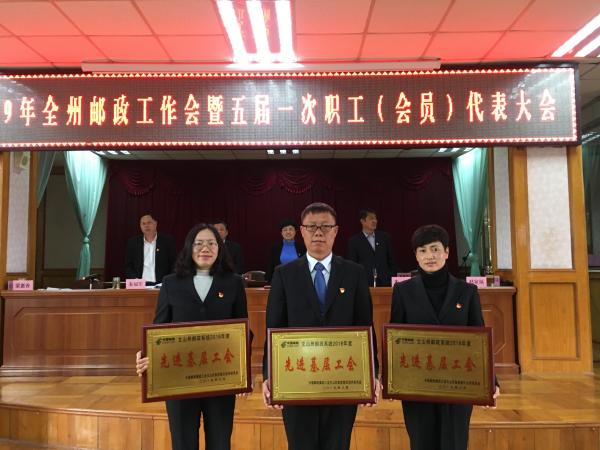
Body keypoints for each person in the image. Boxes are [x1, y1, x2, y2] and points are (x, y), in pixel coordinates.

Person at [262, 202, 379, 450]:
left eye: (325, 227)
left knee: (338, 443)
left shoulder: (355, 273)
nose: (318, 233)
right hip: (296, 380)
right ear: (301, 231)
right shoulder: (283, 274)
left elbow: (365, 326)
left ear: (335, 231)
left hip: (342, 380)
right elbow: (273, 328)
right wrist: (269, 376)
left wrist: (372, 373)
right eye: (311, 227)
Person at [136, 223, 250, 450]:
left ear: (219, 248)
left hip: (220, 379)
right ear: (189, 248)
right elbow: (159, 329)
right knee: (183, 442)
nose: (205, 248)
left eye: (211, 243)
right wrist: (146, 353)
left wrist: (242, 371)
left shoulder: (234, 283)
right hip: (179, 381)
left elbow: (243, 330)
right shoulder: (171, 283)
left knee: (220, 442)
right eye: (198, 243)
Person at [389, 224, 500, 450]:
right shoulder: (403, 291)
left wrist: (491, 380)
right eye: (422, 250)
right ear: (416, 256)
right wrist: (392, 380)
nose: (429, 256)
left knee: (455, 442)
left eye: (435, 249)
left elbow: (479, 339)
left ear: (447, 252)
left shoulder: (466, 292)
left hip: (457, 384)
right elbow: (395, 339)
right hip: (417, 385)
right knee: (421, 442)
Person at [346, 208, 399, 287]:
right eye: (371, 218)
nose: (375, 221)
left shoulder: (384, 237)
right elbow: (352, 266)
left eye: (375, 218)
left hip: (385, 283)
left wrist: (393, 276)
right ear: (362, 221)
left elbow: (392, 261)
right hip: (364, 284)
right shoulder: (354, 241)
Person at [125, 214, 176, 284]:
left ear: (155, 224)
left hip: (162, 284)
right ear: (140, 226)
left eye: (149, 222)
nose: (146, 226)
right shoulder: (133, 243)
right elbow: (128, 266)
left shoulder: (167, 241)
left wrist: (168, 281)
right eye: (143, 224)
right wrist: (135, 280)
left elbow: (174, 263)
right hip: (139, 284)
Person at [265, 219, 306, 283]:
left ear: (295, 232)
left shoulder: (302, 248)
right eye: (285, 230)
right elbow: (270, 268)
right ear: (281, 233)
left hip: (298, 281)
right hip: (279, 281)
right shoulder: (275, 249)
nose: (288, 232)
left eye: (291, 229)